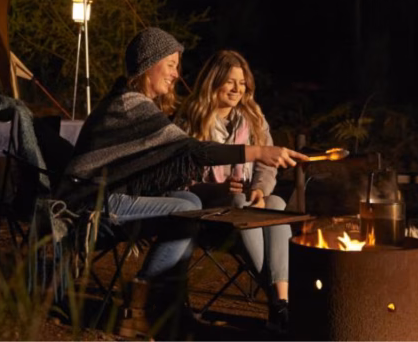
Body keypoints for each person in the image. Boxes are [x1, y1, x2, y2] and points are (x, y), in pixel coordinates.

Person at [56, 28, 305, 338]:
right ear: (149, 63)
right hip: (91, 201)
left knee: (191, 205)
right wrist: (258, 152)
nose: (176, 74)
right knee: (186, 209)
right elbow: (191, 152)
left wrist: (257, 180)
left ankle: (167, 303)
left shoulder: (136, 103)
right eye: (171, 64)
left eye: (177, 66)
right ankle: (144, 308)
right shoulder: (131, 105)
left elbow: (165, 167)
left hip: (112, 195)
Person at [178, 49, 292, 332]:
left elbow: (267, 167)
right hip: (208, 215)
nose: (237, 89)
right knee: (238, 199)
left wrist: (261, 190)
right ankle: (279, 303)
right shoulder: (189, 120)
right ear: (213, 81)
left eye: (242, 83)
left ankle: (281, 302)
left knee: (275, 201)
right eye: (230, 81)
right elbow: (177, 178)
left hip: (249, 206)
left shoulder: (252, 118)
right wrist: (216, 188)